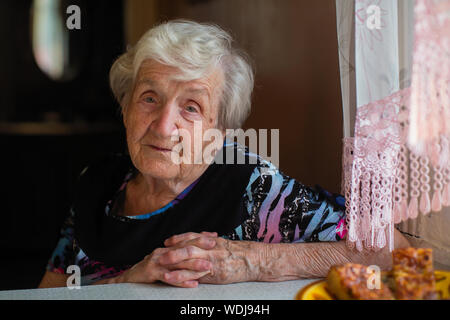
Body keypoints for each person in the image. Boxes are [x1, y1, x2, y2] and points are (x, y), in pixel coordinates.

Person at [38, 20, 409, 289]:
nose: (164, 126)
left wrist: (255, 261)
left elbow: (391, 250)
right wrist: (127, 283)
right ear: (125, 108)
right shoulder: (98, 181)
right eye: (149, 98)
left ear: (219, 133)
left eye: (192, 108)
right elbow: (47, 294)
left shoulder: (251, 186)